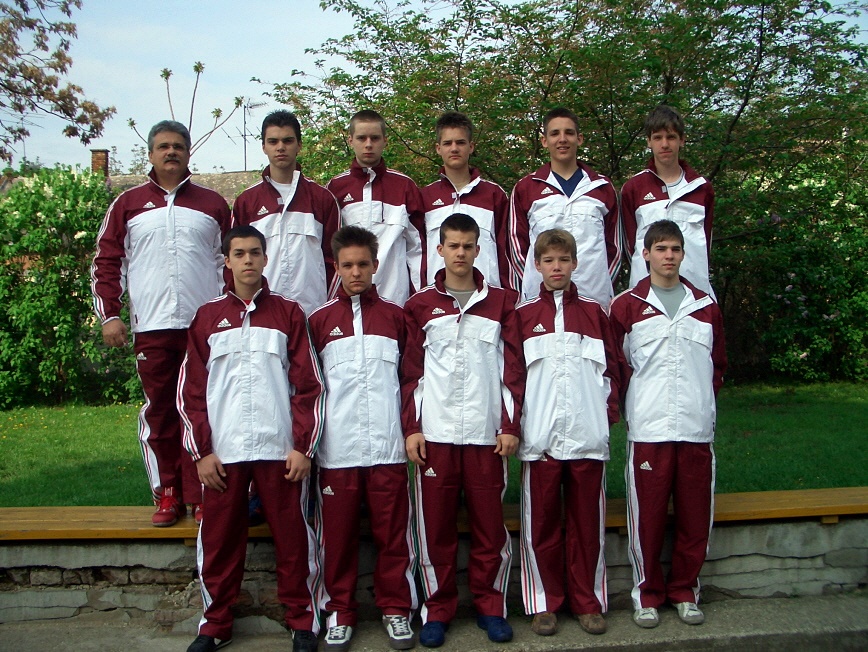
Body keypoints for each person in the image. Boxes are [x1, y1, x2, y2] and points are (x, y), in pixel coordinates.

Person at [178, 225, 325, 652]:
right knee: (219, 541)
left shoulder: (288, 314)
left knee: (293, 540)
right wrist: (202, 452)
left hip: (280, 451)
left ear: (265, 258)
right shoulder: (207, 318)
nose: (248, 260)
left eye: (255, 252)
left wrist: (302, 447)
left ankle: (302, 620)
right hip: (223, 454)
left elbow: (309, 386)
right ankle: (215, 625)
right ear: (226, 261)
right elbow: (190, 392)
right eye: (239, 253)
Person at [91, 120, 230, 527]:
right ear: (150, 154)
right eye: (163, 146)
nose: (171, 152)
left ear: (188, 152)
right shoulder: (128, 204)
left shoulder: (212, 204)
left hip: (204, 328)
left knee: (207, 408)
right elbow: (107, 261)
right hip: (152, 326)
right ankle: (168, 492)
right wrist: (110, 315)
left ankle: (202, 491)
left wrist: (229, 315)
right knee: (162, 411)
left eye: (178, 146)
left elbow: (230, 262)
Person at [402, 213, 524, 648]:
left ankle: (491, 607)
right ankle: (437, 609)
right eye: (452, 245)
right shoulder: (419, 306)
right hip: (435, 436)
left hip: (485, 435)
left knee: (490, 529)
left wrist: (509, 424)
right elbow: (411, 373)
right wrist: (413, 428)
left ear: (478, 249)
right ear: (439, 249)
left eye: (467, 245)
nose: (460, 253)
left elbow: (513, 370)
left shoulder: (502, 303)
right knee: (435, 530)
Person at [609, 219, 726, 630]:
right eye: (660, 249)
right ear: (646, 254)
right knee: (649, 517)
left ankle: (685, 591)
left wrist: (704, 403)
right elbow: (617, 366)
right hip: (650, 429)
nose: (669, 256)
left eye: (675, 249)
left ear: (683, 253)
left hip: (696, 428)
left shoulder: (705, 306)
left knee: (695, 517)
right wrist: (630, 409)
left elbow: (717, 366)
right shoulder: (626, 306)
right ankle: (647, 594)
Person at [308, 226, 418, 651]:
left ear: (375, 266)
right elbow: (309, 387)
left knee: (393, 535)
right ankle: (339, 611)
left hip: (388, 447)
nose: (356, 272)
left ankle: (396, 608)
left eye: (363, 264)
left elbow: (410, 381)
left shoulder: (396, 318)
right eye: (348, 265)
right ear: (336, 267)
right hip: (337, 452)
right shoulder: (319, 322)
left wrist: (411, 429)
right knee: (337, 538)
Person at [516, 229, 620, 637]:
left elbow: (612, 371)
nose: (556, 267)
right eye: (548, 260)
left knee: (586, 525)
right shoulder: (523, 316)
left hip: (586, 437)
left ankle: (587, 600)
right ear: (537, 265)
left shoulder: (594, 313)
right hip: (540, 439)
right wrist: (519, 425)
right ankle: (544, 602)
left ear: (575, 263)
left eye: (563, 259)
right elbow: (513, 378)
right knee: (540, 524)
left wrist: (605, 417)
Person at [231, 110, 341, 315]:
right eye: (273, 142)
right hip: (262, 314)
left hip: (312, 311)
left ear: (299, 145)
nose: (280, 147)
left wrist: (325, 310)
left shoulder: (322, 199)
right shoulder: (246, 202)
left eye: (288, 141)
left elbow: (336, 261)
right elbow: (233, 261)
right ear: (264, 147)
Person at [508, 107, 620, 307]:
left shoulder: (602, 187)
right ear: (544, 141)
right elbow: (517, 249)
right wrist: (534, 282)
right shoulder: (526, 188)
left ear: (579, 138)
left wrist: (602, 282)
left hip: (594, 296)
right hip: (541, 299)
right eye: (555, 133)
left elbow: (615, 247)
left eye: (569, 132)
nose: (562, 139)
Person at [327, 110, 426, 306]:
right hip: (348, 303)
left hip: (395, 299)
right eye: (361, 138)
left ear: (385, 141)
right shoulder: (335, 188)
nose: (368, 144)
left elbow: (418, 250)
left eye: (375, 138)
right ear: (350, 140)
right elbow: (329, 252)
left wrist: (418, 299)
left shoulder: (404, 187)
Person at [621, 105, 715, 297]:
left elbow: (706, 242)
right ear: (649, 141)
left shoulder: (701, 188)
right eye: (657, 138)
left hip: (694, 291)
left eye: (671, 137)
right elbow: (630, 246)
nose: (664, 144)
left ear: (682, 140)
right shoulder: (633, 188)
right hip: (646, 294)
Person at [421, 111, 510, 288]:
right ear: (438, 148)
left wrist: (508, 294)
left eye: (460, 142)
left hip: (487, 295)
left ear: (471, 146)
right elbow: (418, 253)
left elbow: (506, 251)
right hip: (437, 296)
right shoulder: (425, 197)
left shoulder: (494, 194)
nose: (454, 148)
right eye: (448, 143)